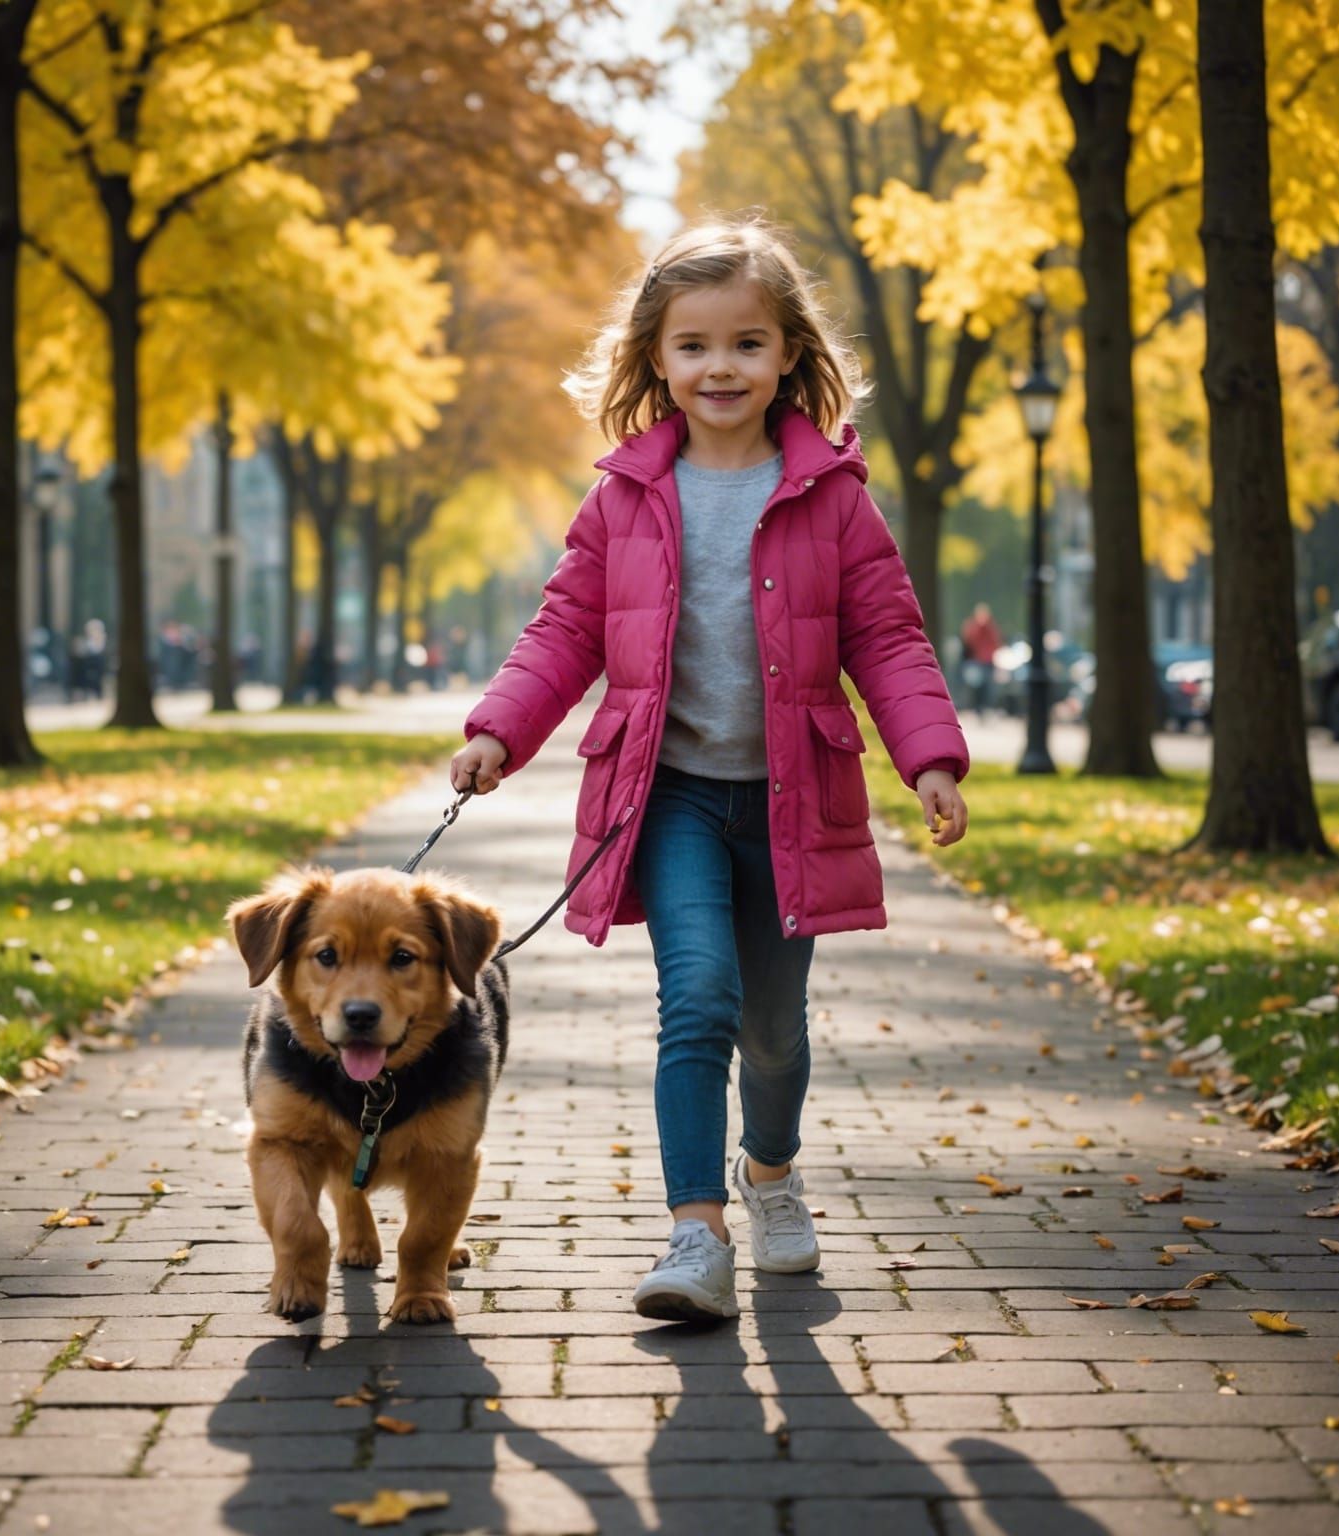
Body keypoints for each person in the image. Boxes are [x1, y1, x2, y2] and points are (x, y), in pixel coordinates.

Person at [448, 217, 970, 1324]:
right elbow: (564, 631)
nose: (719, 366)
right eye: (694, 346)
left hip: (794, 800)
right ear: (657, 360)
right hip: (672, 795)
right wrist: (500, 729)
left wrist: (929, 758)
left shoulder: (833, 495)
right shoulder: (626, 497)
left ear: (788, 354)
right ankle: (697, 1233)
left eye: (745, 343)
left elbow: (888, 638)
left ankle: (770, 1176)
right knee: (698, 1002)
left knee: (776, 1031)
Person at [958, 602, 1002, 720]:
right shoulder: (972, 626)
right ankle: (977, 709)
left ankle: (985, 709)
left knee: (987, 687)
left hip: (987, 661)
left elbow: (995, 642)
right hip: (976, 661)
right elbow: (968, 641)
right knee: (976, 686)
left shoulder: (991, 628)